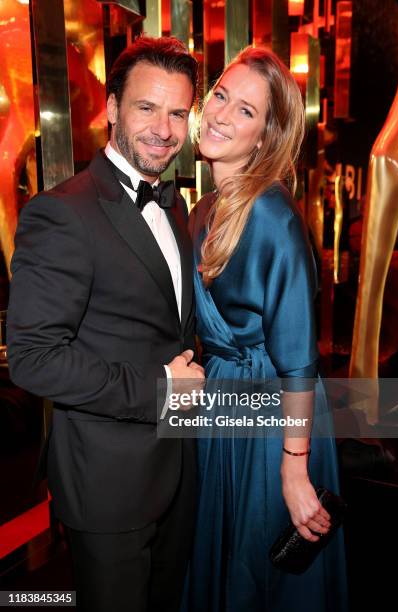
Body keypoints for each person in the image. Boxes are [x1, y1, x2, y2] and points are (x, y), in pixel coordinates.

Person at [7, 36, 204, 612]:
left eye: (177, 113)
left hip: (179, 467)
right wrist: (160, 391)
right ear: (113, 107)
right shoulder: (62, 213)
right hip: (109, 482)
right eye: (147, 108)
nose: (164, 130)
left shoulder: (176, 205)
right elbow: (34, 358)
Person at [183, 47, 348, 611]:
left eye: (246, 111)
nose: (223, 114)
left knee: (260, 573)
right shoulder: (205, 209)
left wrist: (295, 470)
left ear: (266, 137)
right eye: (221, 96)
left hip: (275, 421)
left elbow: (299, 360)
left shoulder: (271, 214)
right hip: (225, 404)